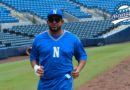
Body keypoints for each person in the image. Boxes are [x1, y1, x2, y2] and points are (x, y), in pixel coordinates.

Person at [30, 9, 87, 90]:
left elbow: (82, 56)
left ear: (62, 21)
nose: (54, 22)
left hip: (65, 81)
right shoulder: (39, 39)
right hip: (45, 83)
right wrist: (36, 67)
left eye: (57, 20)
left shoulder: (73, 38)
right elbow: (33, 57)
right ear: (47, 22)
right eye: (51, 20)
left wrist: (78, 69)